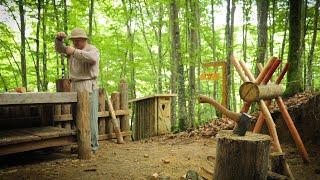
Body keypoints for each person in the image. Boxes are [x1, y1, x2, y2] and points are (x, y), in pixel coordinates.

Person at [55, 28, 99, 152]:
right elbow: (59, 49)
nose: (75, 43)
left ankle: (92, 146)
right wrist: (58, 40)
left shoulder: (92, 50)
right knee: (76, 117)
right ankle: (81, 143)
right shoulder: (73, 50)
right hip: (75, 86)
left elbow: (92, 59)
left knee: (90, 118)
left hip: (88, 85)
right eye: (73, 41)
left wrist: (74, 52)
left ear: (84, 39)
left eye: (77, 40)